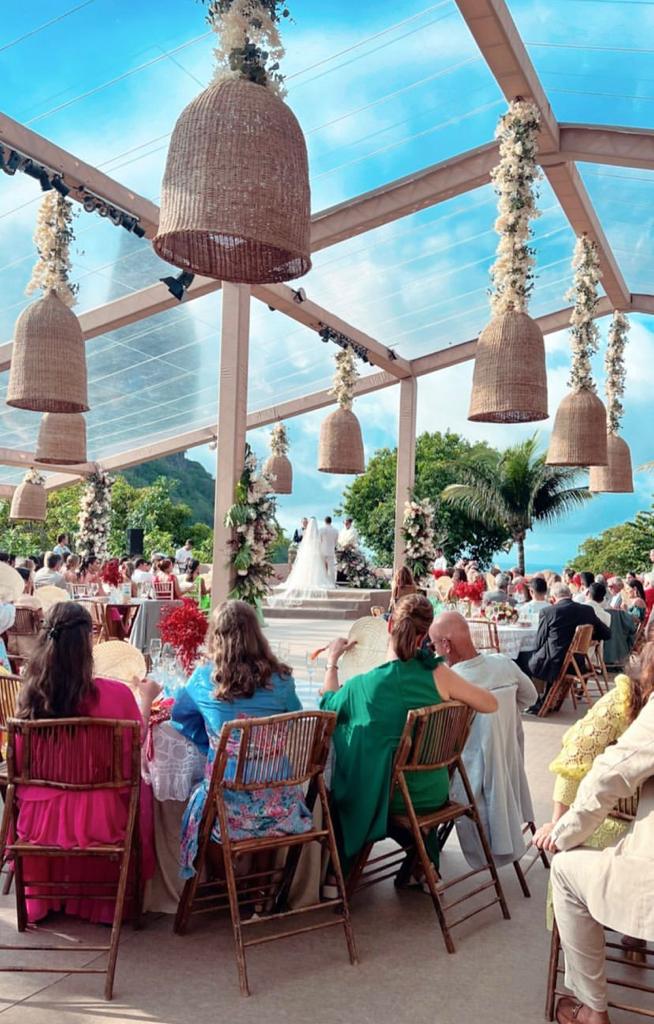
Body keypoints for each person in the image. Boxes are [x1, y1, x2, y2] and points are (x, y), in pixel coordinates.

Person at [319, 594, 498, 875]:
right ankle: (421, 864)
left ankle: (336, 872)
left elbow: (327, 706)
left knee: (336, 780)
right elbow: (490, 703)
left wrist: (332, 661)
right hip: (434, 789)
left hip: (389, 796)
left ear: (389, 626)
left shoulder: (364, 685)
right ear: (425, 634)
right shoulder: (439, 675)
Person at [146, 600, 310, 878]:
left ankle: (225, 884)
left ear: (216, 637)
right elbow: (294, 716)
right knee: (259, 791)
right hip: (281, 799)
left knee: (203, 812)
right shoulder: (282, 679)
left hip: (228, 800)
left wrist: (214, 742)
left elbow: (181, 717)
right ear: (257, 634)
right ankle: (258, 888)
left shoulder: (202, 679)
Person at [14, 602, 155, 924]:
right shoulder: (116, 694)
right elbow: (134, 750)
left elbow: (21, 763)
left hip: (40, 819)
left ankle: (49, 898)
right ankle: (107, 902)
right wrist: (146, 701)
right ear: (88, 644)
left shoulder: (31, 696)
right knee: (142, 789)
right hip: (99, 818)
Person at [534, 684, 654, 1024]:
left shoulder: (628, 696)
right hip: (624, 824)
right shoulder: (623, 697)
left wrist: (560, 832)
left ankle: (590, 1008)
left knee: (565, 867)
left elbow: (607, 774)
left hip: (630, 845)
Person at [429, 611, 537, 868]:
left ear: (445, 644)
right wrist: (503, 724)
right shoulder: (503, 663)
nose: (433, 650)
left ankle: (423, 866)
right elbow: (530, 698)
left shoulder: (450, 683)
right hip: (509, 762)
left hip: (469, 776)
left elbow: (438, 744)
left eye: (433, 644)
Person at [519, 583, 611, 714]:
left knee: (524, 658)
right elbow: (606, 634)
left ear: (553, 598)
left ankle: (534, 699)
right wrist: (588, 637)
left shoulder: (549, 611)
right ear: (571, 595)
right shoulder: (587, 611)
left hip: (555, 664)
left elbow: (539, 642)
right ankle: (543, 699)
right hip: (577, 663)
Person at [269, 517, 333, 606]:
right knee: (314, 568)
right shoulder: (317, 534)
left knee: (305, 567)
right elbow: (318, 544)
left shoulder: (307, 533)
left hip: (306, 553)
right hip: (315, 553)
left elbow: (304, 544)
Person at [319, 516, 339, 586]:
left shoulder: (321, 529)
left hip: (322, 550)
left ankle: (323, 582)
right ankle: (332, 583)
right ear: (331, 521)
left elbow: (319, 540)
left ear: (325, 521)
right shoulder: (336, 530)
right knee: (331, 568)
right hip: (331, 550)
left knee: (322, 568)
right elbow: (336, 542)